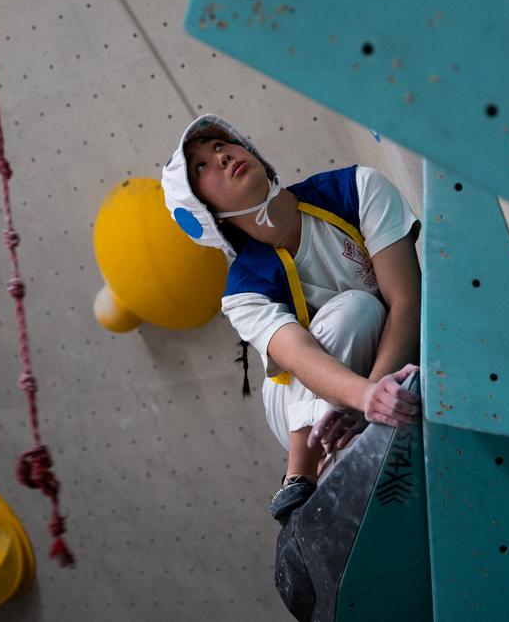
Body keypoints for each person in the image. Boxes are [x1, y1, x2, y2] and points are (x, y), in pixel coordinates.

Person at [161, 114, 422, 520]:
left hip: (381, 371)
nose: (222, 157)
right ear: (206, 213)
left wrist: (369, 399)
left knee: (364, 310)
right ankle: (300, 475)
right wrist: (366, 398)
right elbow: (298, 356)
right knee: (357, 310)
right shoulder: (242, 292)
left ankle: (327, 468)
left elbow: (407, 300)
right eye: (201, 166)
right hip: (299, 409)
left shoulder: (357, 189)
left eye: (220, 145)